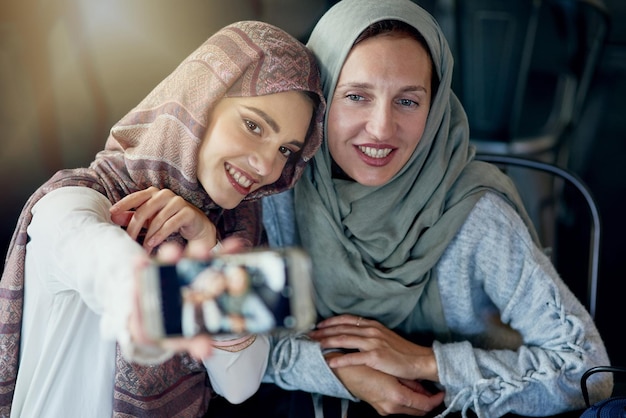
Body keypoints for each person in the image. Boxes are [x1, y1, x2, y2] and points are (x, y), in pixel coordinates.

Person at [255, 1, 614, 417]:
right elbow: (240, 348)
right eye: (356, 96)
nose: (381, 128)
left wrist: (425, 361)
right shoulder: (282, 193)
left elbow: (588, 372)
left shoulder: (477, 215)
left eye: (408, 102)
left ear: (437, 105)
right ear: (321, 98)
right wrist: (343, 374)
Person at [0, 20, 324, 418]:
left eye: (286, 151)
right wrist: (150, 300)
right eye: (253, 125)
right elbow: (104, 263)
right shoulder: (74, 201)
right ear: (199, 102)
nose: (265, 165)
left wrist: (208, 246)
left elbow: (241, 385)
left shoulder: (236, 232)